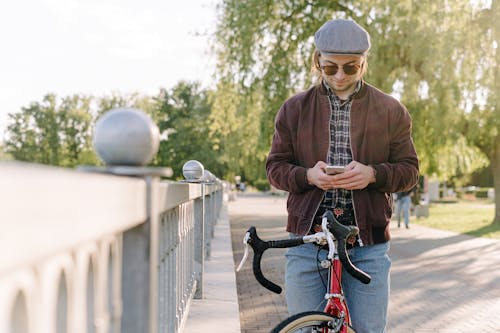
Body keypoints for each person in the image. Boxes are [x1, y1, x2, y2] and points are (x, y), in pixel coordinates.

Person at [266, 18, 419, 333]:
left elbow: (409, 171)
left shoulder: (391, 110)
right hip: (308, 241)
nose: (339, 76)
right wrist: (308, 176)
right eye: (330, 67)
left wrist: (373, 174)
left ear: (364, 64)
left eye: (350, 68)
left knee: (369, 328)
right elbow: (275, 168)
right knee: (302, 329)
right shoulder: (294, 109)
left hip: (367, 245)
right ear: (317, 62)